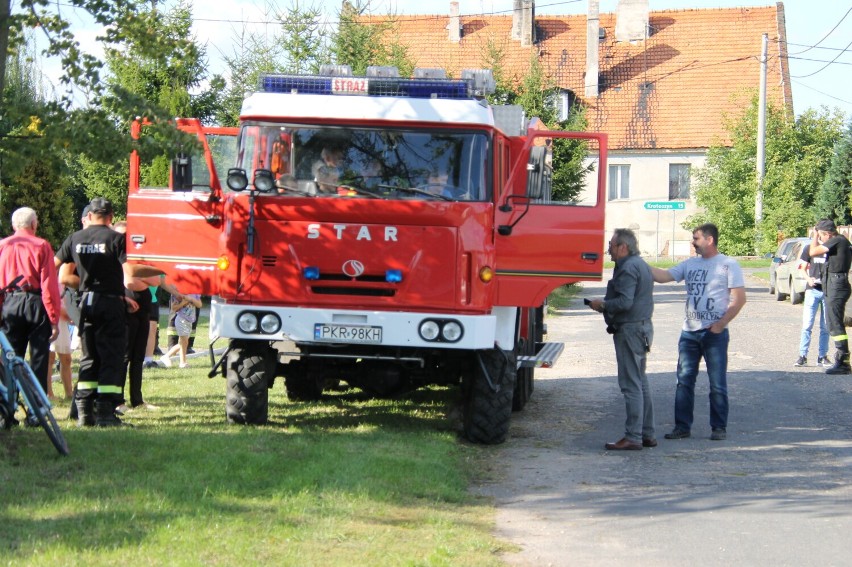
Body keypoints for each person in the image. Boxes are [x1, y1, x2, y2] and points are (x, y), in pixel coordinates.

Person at [651, 223, 746, 441]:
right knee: (684, 381)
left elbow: (739, 299)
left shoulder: (728, 265)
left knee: (717, 382)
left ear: (709, 239)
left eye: (696, 238)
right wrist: (636, 261)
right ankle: (682, 427)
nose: (693, 243)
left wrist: (720, 325)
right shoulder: (690, 264)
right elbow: (664, 276)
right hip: (689, 333)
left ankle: (718, 427)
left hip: (714, 334)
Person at [56, 198, 140, 427]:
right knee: (111, 356)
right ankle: (105, 412)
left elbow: (56, 267)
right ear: (111, 216)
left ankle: (84, 412)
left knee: (89, 356)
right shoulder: (116, 239)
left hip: (87, 303)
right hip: (110, 304)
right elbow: (130, 271)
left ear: (90, 216)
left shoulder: (75, 238)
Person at [588, 229, 655, 451]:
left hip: (631, 330)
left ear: (623, 247)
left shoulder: (628, 268)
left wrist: (603, 305)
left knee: (631, 384)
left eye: (612, 245)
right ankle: (647, 434)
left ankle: (633, 436)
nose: (608, 249)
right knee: (640, 382)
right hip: (642, 328)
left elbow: (625, 302)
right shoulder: (641, 264)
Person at [0, 207, 61, 396]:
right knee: (39, 358)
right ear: (34, 224)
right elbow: (49, 284)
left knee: (10, 356)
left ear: (13, 225)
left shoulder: (3, 246)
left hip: (10, 302)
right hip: (35, 302)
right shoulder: (42, 245)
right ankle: (37, 406)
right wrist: (53, 318)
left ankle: (8, 407)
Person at [808, 219, 852, 374]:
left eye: (821, 235)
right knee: (833, 323)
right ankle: (843, 360)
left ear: (827, 233)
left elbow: (812, 252)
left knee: (835, 324)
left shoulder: (836, 240)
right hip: (834, 283)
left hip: (836, 284)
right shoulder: (840, 241)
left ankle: (843, 361)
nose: (820, 239)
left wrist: (814, 237)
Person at [794, 245, 830, 368]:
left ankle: (822, 356)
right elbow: (802, 268)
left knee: (825, 326)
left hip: (827, 291)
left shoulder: (831, 248)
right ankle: (802, 356)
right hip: (812, 291)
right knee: (807, 325)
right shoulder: (809, 248)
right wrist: (808, 279)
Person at [160, 293, 202, 368]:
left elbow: (199, 305)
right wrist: (182, 303)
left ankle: (166, 356)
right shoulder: (179, 294)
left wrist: (191, 299)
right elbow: (174, 308)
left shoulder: (195, 293)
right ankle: (183, 363)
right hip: (181, 319)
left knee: (182, 343)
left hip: (189, 321)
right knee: (184, 341)